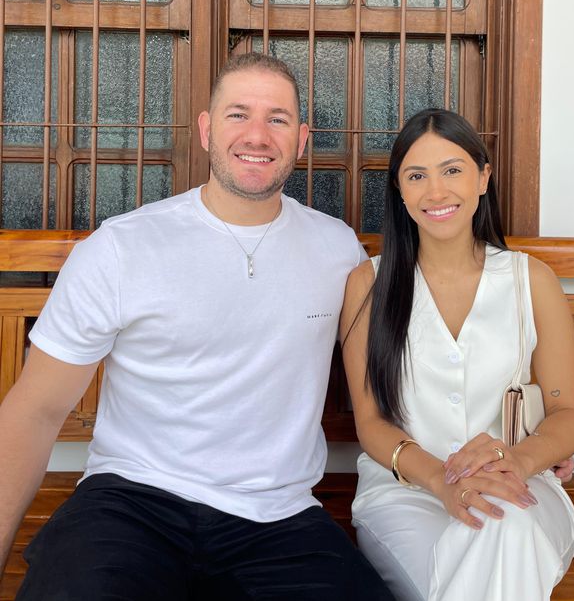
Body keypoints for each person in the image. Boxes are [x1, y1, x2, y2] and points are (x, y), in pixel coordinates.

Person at [0, 53, 394, 601]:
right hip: (132, 501)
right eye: (238, 114)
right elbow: (36, 410)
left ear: (302, 139)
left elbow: (387, 374)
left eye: (277, 119)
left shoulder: (337, 249)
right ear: (207, 130)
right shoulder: (123, 246)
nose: (257, 135)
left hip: (277, 514)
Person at [340, 109, 574, 601]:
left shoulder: (530, 280)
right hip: (405, 494)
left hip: (521, 483)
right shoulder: (369, 284)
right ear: (399, 190)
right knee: (493, 552)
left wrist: (518, 461)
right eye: (417, 176)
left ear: (483, 177)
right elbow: (371, 423)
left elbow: (569, 413)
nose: (436, 192)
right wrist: (443, 481)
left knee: (505, 521)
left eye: (452, 170)